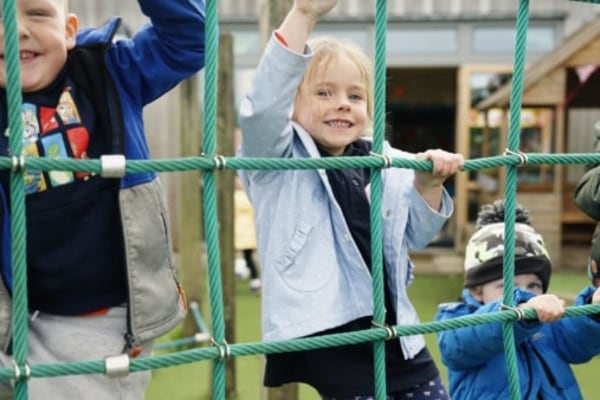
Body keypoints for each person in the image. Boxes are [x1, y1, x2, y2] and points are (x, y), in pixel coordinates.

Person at [237, 0, 464, 398]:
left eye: (355, 96)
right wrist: (304, 15)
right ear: (291, 105)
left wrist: (428, 185)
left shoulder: (381, 159)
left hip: (392, 325)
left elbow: (414, 236)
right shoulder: (277, 160)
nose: (342, 103)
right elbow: (261, 109)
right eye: (324, 92)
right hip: (331, 327)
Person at [0, 0, 205, 398]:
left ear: (69, 30)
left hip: (104, 319)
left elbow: (190, 40)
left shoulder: (111, 71)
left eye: (38, 14)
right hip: (18, 316)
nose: (17, 28)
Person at [435, 199, 600, 400]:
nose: (525, 293)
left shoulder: (546, 324)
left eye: (533, 286)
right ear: (476, 290)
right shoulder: (457, 320)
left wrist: (592, 310)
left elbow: (577, 342)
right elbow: (461, 344)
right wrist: (519, 307)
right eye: (508, 286)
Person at [234, 178, 261, 292]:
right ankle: (253, 279)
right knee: (248, 256)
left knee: (244, 256)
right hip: (250, 232)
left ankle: (241, 270)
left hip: (239, 232)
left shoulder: (235, 198)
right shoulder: (251, 196)